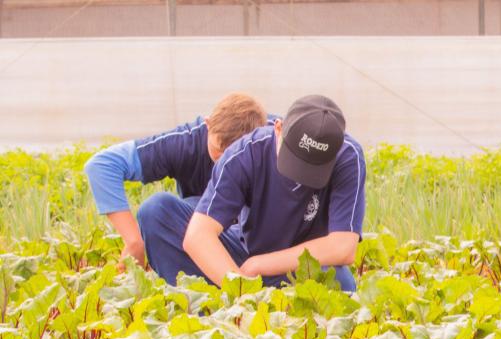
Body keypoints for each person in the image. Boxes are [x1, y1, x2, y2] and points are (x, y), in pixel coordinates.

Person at [135, 94, 364, 292]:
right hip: (242, 258)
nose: (298, 175)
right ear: (278, 128)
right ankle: (207, 305)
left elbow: (343, 247)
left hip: (295, 268)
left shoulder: (348, 157)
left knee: (339, 282)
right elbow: (198, 235)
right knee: (156, 211)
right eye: (292, 160)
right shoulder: (246, 153)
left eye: (311, 169)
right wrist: (242, 293)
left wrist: (261, 264)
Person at [84, 92, 271, 269]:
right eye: (218, 151)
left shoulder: (274, 138)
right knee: (157, 210)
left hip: (267, 245)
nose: (226, 162)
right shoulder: (185, 142)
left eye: (236, 154)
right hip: (208, 243)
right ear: (208, 124)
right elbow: (102, 165)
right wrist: (134, 242)